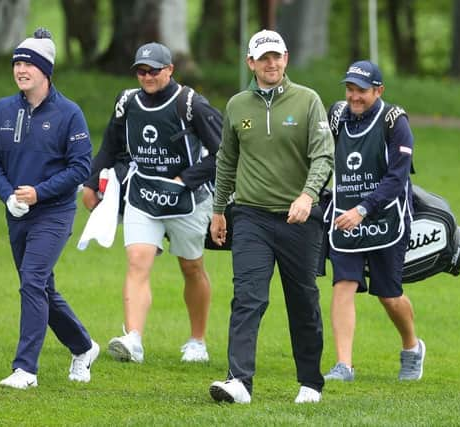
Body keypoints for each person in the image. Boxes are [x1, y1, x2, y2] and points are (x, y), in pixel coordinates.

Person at [208, 30, 335, 404]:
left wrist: (308, 196)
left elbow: (324, 156)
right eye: (263, 58)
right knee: (247, 298)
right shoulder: (237, 106)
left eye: (276, 57)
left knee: (303, 300)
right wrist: (218, 210)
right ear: (251, 63)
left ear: (286, 58)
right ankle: (239, 382)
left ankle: (310, 382)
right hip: (251, 217)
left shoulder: (308, 101)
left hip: (300, 219)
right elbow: (226, 160)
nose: (271, 64)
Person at [81, 42, 222, 364]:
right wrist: (91, 182)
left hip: (187, 198)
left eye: (154, 70)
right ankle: (133, 339)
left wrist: (184, 180)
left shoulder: (191, 104)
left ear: (170, 70)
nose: (147, 76)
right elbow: (109, 147)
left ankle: (197, 341)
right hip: (143, 194)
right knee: (137, 261)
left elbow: (224, 153)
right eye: (141, 71)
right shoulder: (126, 102)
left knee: (191, 266)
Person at [0, 28, 99, 389]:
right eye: (17, 63)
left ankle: (25, 370)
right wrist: (9, 196)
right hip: (16, 212)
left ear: (45, 70)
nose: (20, 69)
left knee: (32, 282)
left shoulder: (69, 114)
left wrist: (39, 193)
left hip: (55, 212)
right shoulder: (2, 109)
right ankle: (83, 346)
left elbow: (81, 167)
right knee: (41, 288)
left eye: (27, 64)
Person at [323, 60, 425, 383]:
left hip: (386, 218)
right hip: (345, 218)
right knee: (343, 285)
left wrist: (364, 210)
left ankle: (412, 347)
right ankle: (344, 365)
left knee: (389, 295)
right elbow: (324, 157)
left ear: (378, 91)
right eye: (350, 89)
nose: (354, 96)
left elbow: (397, 177)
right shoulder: (337, 115)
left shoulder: (395, 121)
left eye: (361, 91)